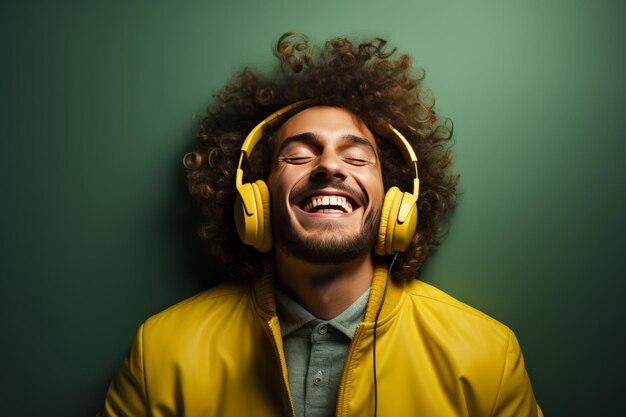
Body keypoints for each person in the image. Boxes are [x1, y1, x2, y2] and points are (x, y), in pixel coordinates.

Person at [98, 33, 542, 417]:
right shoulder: (160, 355)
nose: (329, 166)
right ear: (257, 197)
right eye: (298, 155)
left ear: (395, 201)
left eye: (355, 156)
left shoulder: (487, 357)